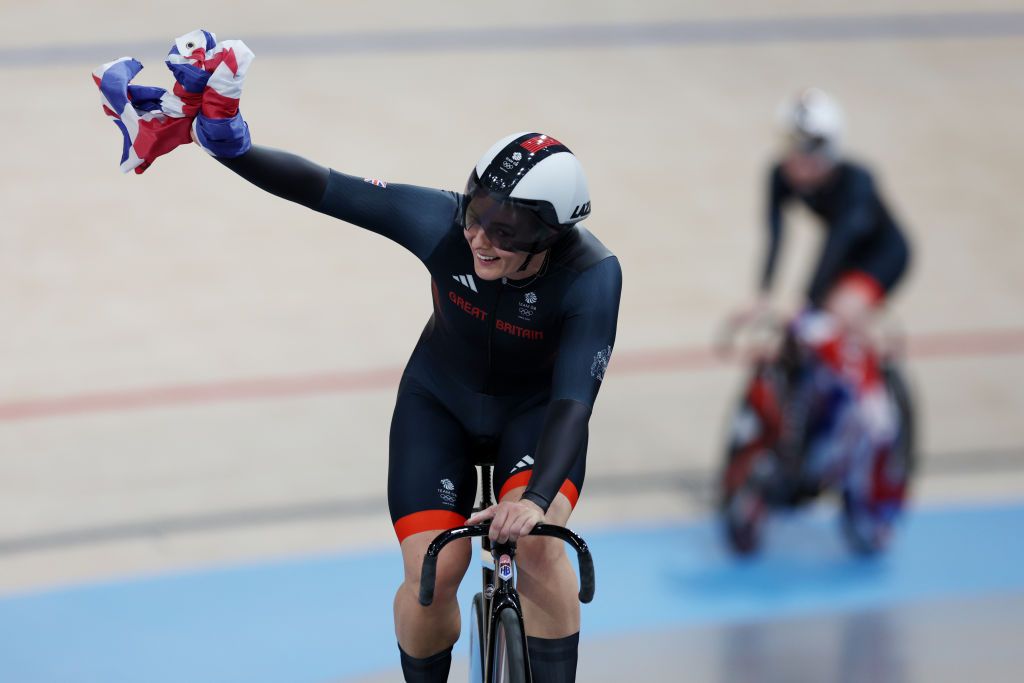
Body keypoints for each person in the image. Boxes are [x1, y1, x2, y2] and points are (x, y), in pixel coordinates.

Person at [164, 39, 622, 682]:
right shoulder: (440, 221)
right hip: (440, 404)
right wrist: (234, 150)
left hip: (536, 416)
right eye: (477, 212)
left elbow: (575, 399)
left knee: (539, 548)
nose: (480, 238)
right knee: (434, 573)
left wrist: (537, 498)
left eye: (506, 229)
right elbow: (325, 188)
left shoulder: (592, 277)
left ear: (552, 235)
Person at [732, 87, 912, 524]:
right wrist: (762, 295)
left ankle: (876, 412)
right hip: (844, 257)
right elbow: (776, 235)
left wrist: (804, 304)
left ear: (829, 150)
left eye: (806, 152)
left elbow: (835, 245)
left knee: (835, 314)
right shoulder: (779, 175)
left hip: (882, 255)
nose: (795, 161)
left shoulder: (857, 181)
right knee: (807, 330)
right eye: (789, 148)